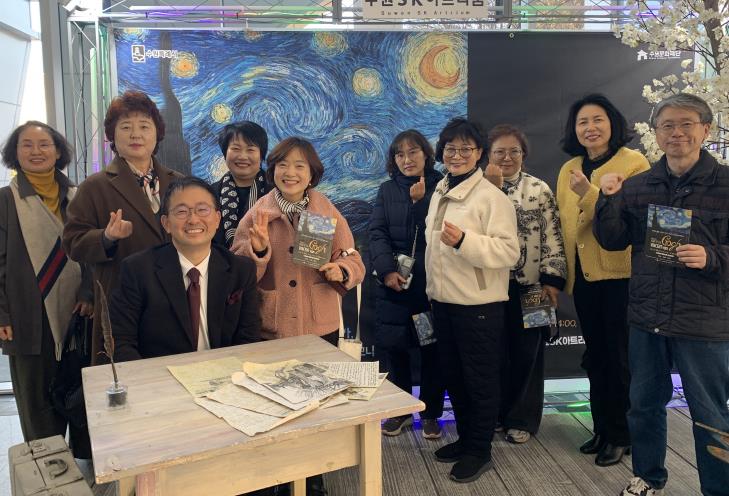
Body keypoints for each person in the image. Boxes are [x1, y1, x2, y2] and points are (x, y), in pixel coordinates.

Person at [593, 93, 729, 496]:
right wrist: (608, 198)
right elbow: (612, 240)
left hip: (703, 321)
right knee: (643, 405)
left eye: (687, 123)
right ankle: (648, 477)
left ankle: (718, 488)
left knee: (710, 413)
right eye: (667, 125)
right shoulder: (638, 186)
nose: (677, 133)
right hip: (647, 317)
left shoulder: (726, 184)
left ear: (706, 129)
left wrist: (712, 256)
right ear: (655, 133)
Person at [232, 137, 365, 496]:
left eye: (299, 166)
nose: (290, 172)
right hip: (273, 326)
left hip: (318, 325)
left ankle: (313, 478)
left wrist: (341, 270)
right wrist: (258, 249)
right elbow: (238, 270)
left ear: (311, 173)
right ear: (272, 169)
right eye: (283, 164)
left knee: (316, 405)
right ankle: (277, 477)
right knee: (275, 406)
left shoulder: (325, 212)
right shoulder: (258, 213)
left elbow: (353, 259)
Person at [555, 94, 650, 466]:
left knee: (619, 358)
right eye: (583, 122)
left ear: (612, 123)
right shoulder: (569, 168)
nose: (590, 128)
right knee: (595, 357)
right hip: (584, 279)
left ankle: (623, 435)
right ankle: (602, 428)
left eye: (598, 120)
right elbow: (564, 223)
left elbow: (629, 220)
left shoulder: (634, 163)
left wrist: (589, 193)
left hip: (619, 276)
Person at [425, 117, 519, 483]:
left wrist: (465, 241)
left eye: (466, 148)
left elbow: (509, 252)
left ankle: (480, 451)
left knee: (480, 381)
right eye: (450, 148)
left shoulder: (492, 198)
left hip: (479, 306)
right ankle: (466, 440)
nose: (457, 155)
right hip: (443, 302)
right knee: (456, 377)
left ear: (480, 153)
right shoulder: (440, 190)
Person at [63, 90, 182, 364]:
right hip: (122, 301)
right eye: (126, 127)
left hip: (175, 299)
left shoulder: (178, 182)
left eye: (144, 126)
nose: (135, 134)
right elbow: (72, 242)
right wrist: (105, 237)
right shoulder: (95, 186)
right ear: (112, 136)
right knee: (126, 376)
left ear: (157, 133)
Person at [0, 121, 93, 453]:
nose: (36, 151)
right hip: (27, 318)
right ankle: (47, 467)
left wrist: (88, 293)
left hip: (79, 314)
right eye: (27, 145)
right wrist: (2, 314)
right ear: (15, 153)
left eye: (44, 144)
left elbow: (91, 253)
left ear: (57, 151)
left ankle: (86, 466)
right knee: (36, 406)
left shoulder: (78, 196)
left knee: (82, 395)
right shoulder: (6, 200)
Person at [111, 177, 261, 362]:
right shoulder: (137, 270)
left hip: (225, 372)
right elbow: (121, 342)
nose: (193, 219)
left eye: (202, 210)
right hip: (160, 375)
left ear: (217, 219)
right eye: (182, 212)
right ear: (166, 223)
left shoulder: (241, 270)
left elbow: (249, 338)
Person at [484, 124, 567, 445]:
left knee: (528, 355)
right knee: (491, 353)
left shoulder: (539, 189)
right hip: (488, 288)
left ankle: (522, 419)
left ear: (524, 155)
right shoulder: (478, 188)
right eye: (499, 152)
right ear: (488, 155)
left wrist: (552, 280)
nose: (506, 158)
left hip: (533, 287)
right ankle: (493, 414)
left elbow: (553, 236)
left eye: (513, 151)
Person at [368, 130, 445, 439]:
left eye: (413, 152)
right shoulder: (386, 190)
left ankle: (431, 413)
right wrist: (387, 271)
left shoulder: (442, 186)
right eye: (400, 154)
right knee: (396, 350)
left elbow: (439, 233)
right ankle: (399, 412)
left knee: (432, 351)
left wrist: (420, 201)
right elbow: (377, 233)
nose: (407, 159)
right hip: (395, 287)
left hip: (430, 287)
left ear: (426, 154)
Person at [212, 121, 271, 248]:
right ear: (225, 153)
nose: (243, 156)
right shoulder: (209, 194)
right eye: (235, 149)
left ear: (261, 155)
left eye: (250, 150)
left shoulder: (276, 192)